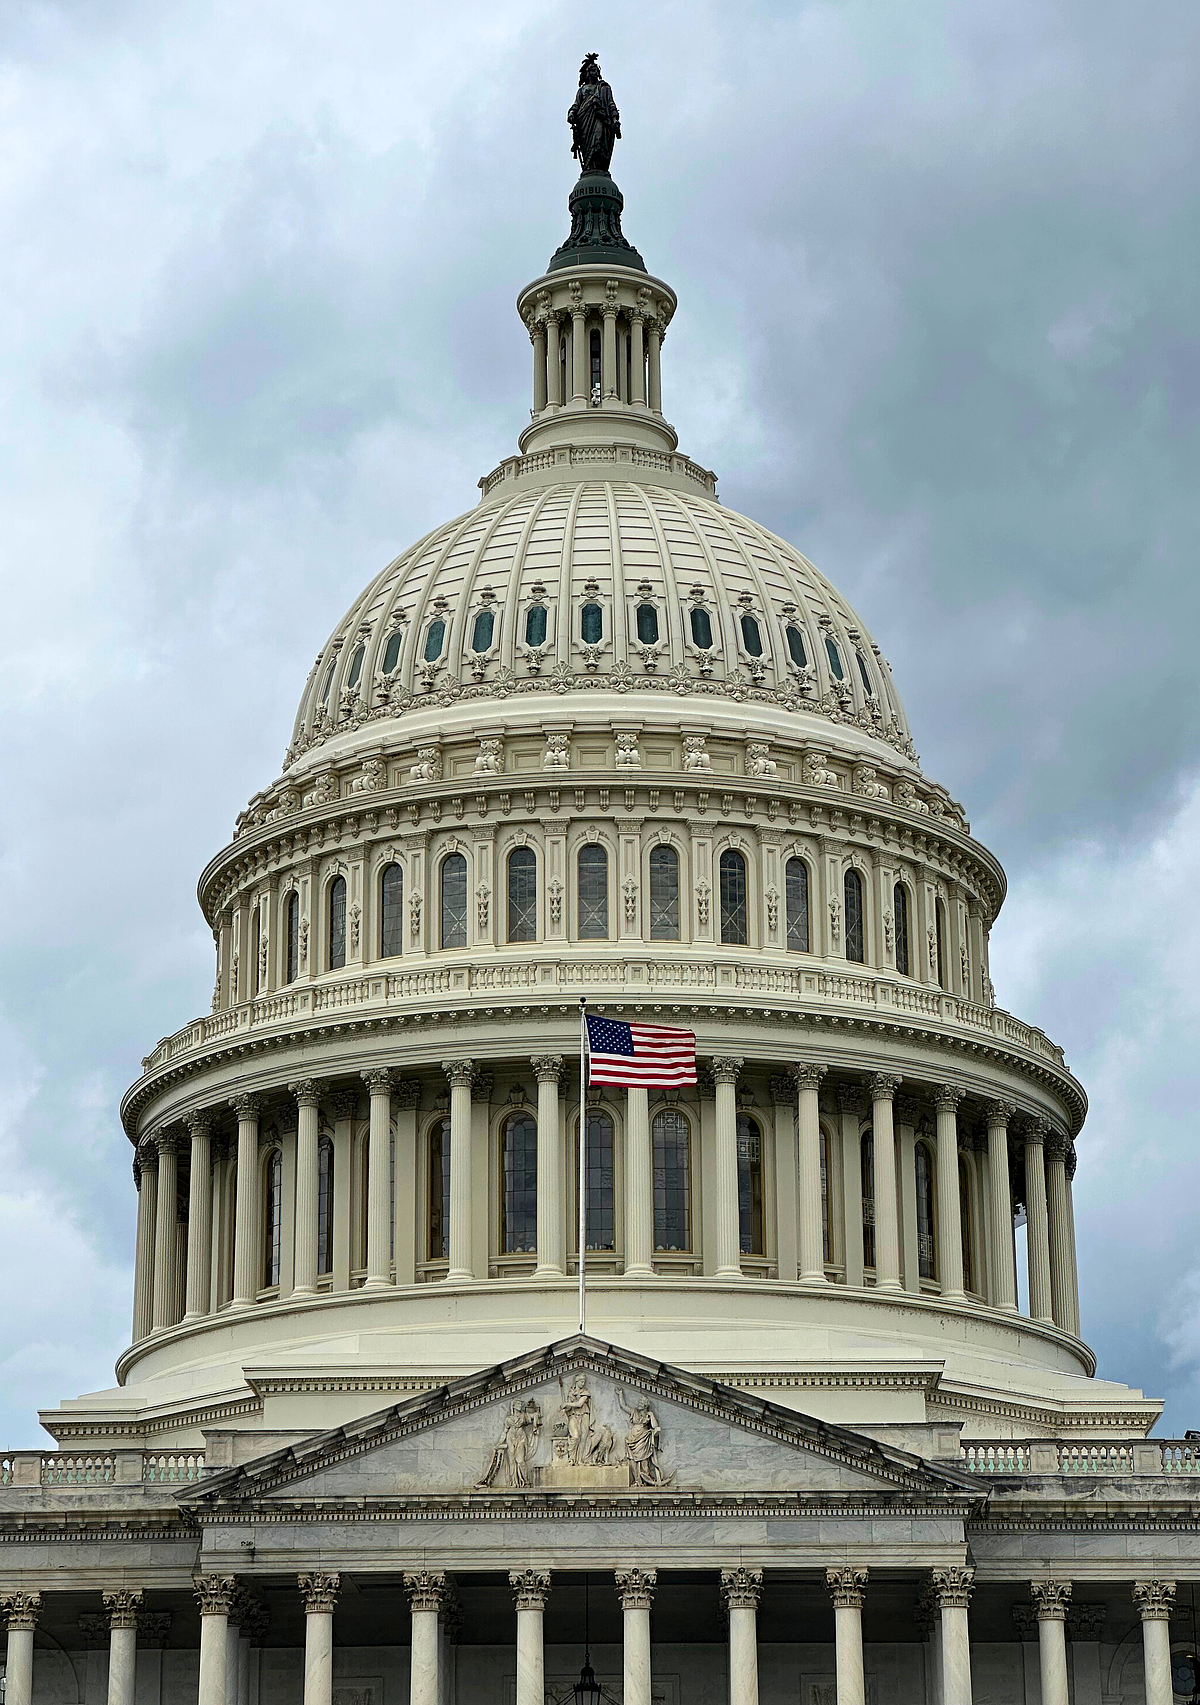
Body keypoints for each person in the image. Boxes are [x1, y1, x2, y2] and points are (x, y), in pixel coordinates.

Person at [568, 54, 621, 174]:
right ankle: (589, 169)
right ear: (587, 73)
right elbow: (576, 105)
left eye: (596, 70)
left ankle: (600, 169)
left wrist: (615, 120)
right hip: (584, 121)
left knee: (599, 141)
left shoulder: (604, 88)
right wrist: (571, 113)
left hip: (600, 118)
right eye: (592, 70)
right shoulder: (582, 90)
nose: (595, 72)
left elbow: (611, 104)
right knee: (587, 145)